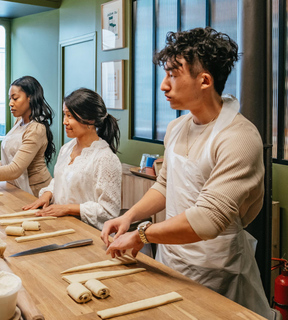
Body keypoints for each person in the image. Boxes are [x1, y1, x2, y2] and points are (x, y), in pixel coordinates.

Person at [100, 27, 272, 318]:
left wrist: (142, 235)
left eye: (173, 75)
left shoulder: (239, 137)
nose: (164, 86)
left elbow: (207, 220)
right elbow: (166, 185)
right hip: (171, 259)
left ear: (204, 80)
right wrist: (128, 217)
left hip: (219, 271)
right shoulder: (177, 128)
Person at [23, 88, 121, 230]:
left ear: (90, 120)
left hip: (87, 233)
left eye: (70, 116)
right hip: (61, 225)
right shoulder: (67, 148)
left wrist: (67, 209)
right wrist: (47, 194)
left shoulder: (105, 158)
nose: (64, 122)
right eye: (64, 115)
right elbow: (60, 180)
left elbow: (109, 210)